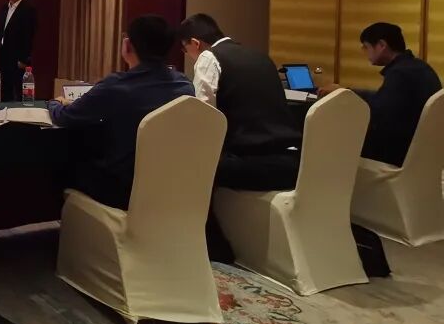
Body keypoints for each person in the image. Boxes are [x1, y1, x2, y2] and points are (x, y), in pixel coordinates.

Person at [47, 15, 194, 210]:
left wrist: (55, 103)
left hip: (122, 188)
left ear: (127, 45)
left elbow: (65, 117)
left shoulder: (117, 86)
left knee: (65, 164)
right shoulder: (184, 85)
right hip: (169, 185)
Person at [177, 14, 302, 191]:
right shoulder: (261, 56)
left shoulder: (208, 58)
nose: (187, 55)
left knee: (188, 166)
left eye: (184, 49)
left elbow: (203, 120)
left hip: (252, 165)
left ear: (195, 43)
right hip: (293, 163)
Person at [323, 23, 441, 166]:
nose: (364, 52)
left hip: (397, 154)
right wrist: (347, 91)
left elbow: (378, 115)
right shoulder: (419, 67)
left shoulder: (399, 74)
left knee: (335, 138)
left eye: (366, 47)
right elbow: (382, 98)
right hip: (423, 153)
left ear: (381, 45)